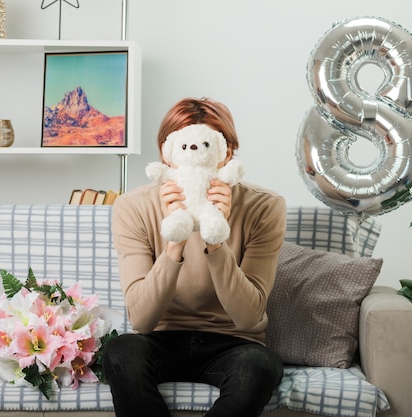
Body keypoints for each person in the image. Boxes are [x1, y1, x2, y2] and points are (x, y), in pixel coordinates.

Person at [102, 97, 287, 417]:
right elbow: (142, 319)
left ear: (226, 152)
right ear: (166, 153)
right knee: (119, 351)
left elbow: (249, 317)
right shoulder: (132, 206)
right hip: (159, 339)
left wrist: (215, 238)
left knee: (261, 365)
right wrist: (175, 239)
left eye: (207, 145)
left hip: (234, 343)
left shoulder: (265, 206)